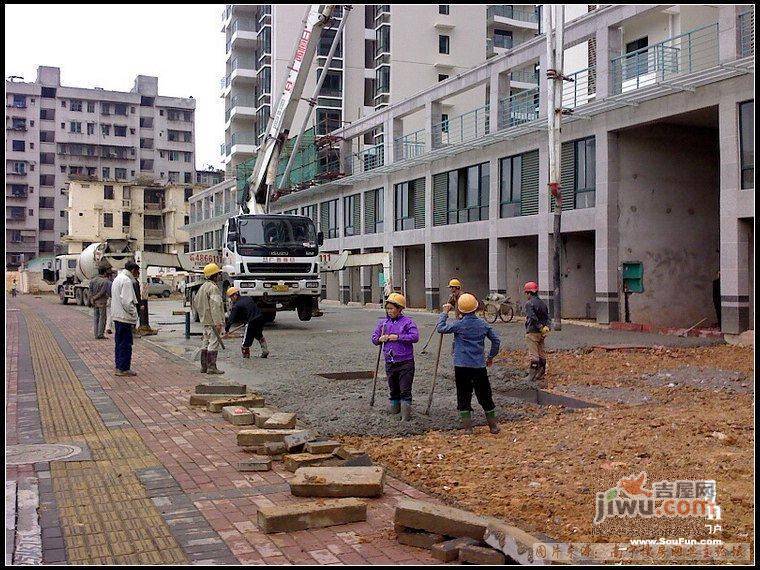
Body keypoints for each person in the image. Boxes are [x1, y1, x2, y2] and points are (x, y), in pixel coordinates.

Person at [437, 293, 501, 435]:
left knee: (463, 395)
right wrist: (490, 357)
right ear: (476, 308)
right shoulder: (483, 325)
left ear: (460, 309)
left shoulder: (459, 325)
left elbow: (440, 328)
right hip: (479, 366)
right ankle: (493, 426)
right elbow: (496, 341)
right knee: (485, 395)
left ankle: (468, 428)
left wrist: (444, 313)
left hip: (461, 366)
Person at [371, 293, 419, 421]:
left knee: (405, 390)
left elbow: (415, 337)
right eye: (388, 308)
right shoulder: (383, 324)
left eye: (392, 308)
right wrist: (379, 339)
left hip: (406, 362)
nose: (389, 311)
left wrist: (398, 337)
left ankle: (405, 416)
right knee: (393, 389)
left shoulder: (408, 322)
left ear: (400, 309)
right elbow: (374, 338)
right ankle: (394, 411)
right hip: (390, 362)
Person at [193, 263, 226, 375]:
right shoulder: (213, 288)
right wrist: (218, 322)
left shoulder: (203, 287)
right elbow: (215, 306)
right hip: (213, 321)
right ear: (214, 275)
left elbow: (196, 302)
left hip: (205, 321)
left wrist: (203, 315)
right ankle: (212, 367)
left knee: (205, 343)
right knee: (213, 343)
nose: (219, 276)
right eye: (218, 274)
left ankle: (204, 367)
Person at [111, 261, 140, 376]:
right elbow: (127, 302)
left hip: (117, 316)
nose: (137, 274)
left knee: (119, 343)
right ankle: (124, 368)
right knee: (126, 344)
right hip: (125, 318)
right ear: (133, 270)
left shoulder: (118, 279)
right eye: (137, 271)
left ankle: (119, 366)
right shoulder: (127, 281)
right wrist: (134, 314)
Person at [225, 287, 269, 358]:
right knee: (258, 335)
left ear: (235, 295)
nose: (231, 299)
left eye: (231, 297)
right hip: (260, 318)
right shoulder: (248, 298)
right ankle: (265, 350)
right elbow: (249, 310)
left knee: (245, 342)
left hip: (252, 322)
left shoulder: (236, 306)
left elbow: (231, 319)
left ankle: (246, 356)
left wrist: (227, 329)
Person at [523, 281, 550, 387]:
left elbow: (532, 317)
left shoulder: (529, 304)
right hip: (542, 332)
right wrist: (545, 328)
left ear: (529, 293)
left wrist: (539, 326)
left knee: (534, 354)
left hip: (533, 331)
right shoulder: (543, 303)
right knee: (541, 352)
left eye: (526, 293)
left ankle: (532, 375)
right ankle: (541, 373)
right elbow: (547, 317)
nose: (526, 295)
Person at [89, 262, 112, 339]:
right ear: (104, 272)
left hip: (94, 302)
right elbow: (102, 292)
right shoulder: (105, 281)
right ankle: (100, 334)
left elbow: (90, 291)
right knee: (102, 318)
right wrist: (95, 298)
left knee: (96, 318)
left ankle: (96, 334)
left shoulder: (93, 280)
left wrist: (92, 299)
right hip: (102, 302)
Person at [105, 269, 116, 334]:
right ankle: (108, 328)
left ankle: (104, 328)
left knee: (104, 314)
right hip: (110, 299)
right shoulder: (110, 283)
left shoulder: (103, 281)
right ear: (110, 276)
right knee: (110, 314)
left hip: (103, 300)